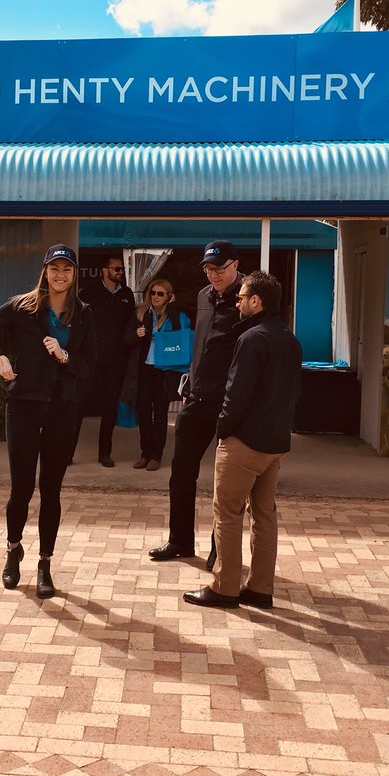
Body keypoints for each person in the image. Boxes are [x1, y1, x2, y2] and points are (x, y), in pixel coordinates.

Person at [0, 244, 97, 599]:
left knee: (51, 490)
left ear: (74, 275)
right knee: (21, 489)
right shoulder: (23, 306)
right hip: (23, 405)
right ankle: (13, 551)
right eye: (54, 268)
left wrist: (65, 355)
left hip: (62, 409)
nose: (60, 275)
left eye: (66, 270)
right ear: (45, 271)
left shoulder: (84, 314)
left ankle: (45, 563)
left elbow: (89, 367)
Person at [183, 272, 301, 609]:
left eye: (241, 298)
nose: (237, 303)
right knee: (264, 515)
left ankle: (224, 588)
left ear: (256, 302)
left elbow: (236, 395)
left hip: (244, 442)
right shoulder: (290, 340)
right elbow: (295, 395)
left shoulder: (251, 339)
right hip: (276, 444)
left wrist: (223, 431)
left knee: (228, 513)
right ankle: (261, 589)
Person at [149, 240, 245, 564]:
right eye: (208, 269)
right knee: (181, 472)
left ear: (235, 264)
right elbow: (202, 341)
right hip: (197, 396)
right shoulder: (204, 296)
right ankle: (180, 541)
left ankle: (221, 549)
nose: (213, 275)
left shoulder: (248, 298)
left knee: (225, 481)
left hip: (229, 402)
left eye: (219, 269)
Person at [122, 278, 191, 472]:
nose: (156, 297)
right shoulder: (140, 313)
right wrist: (137, 334)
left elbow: (182, 335)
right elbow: (125, 338)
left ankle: (156, 456)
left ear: (169, 296)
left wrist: (174, 307)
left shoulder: (175, 315)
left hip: (164, 371)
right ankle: (145, 453)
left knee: (160, 414)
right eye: (153, 293)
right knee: (143, 412)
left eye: (161, 294)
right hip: (144, 369)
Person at [75, 254, 135, 467]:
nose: (119, 273)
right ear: (104, 270)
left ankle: (104, 453)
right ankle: (67, 453)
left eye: (121, 270)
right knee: (79, 405)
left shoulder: (127, 295)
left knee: (110, 407)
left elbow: (130, 325)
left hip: (116, 361)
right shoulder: (88, 292)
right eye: (116, 269)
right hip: (90, 359)